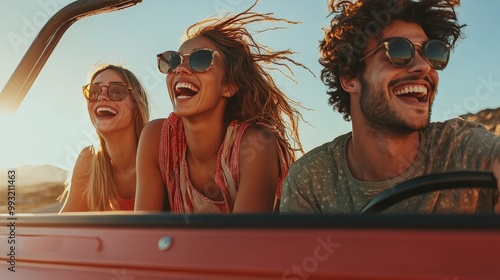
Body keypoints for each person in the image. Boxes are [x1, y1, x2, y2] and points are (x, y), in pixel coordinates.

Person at [280, 0, 500, 214]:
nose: (424, 66)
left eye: (432, 52)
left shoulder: (465, 151)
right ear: (349, 78)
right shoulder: (310, 181)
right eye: (398, 51)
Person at [134, 2, 309, 213]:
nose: (180, 68)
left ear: (229, 86)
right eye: (173, 60)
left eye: (200, 59)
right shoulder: (156, 138)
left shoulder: (255, 144)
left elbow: (243, 242)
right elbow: (145, 235)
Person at [60, 64, 150, 212]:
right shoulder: (87, 161)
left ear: (136, 103)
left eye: (116, 91)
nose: (101, 97)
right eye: (94, 91)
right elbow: (63, 228)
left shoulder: (159, 154)